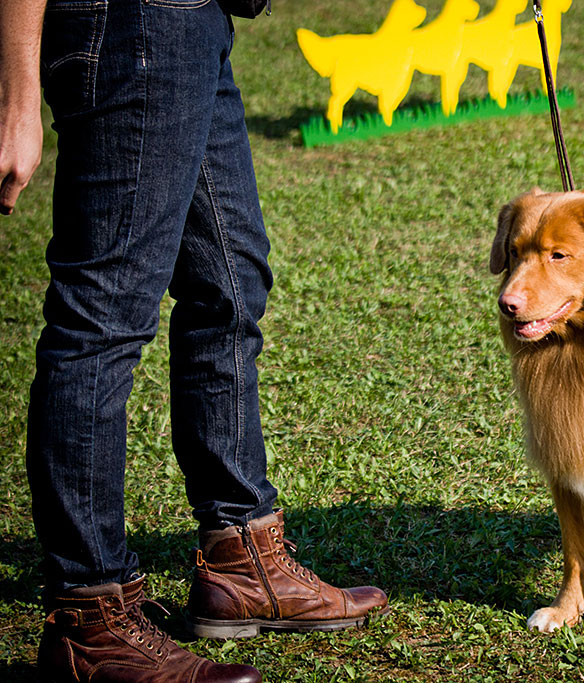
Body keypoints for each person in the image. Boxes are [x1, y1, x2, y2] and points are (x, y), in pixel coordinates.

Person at [0, 0, 389, 680]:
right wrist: (16, 93)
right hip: (130, 26)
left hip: (195, 22)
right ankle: (90, 617)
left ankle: (242, 557)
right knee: (104, 315)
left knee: (231, 282)